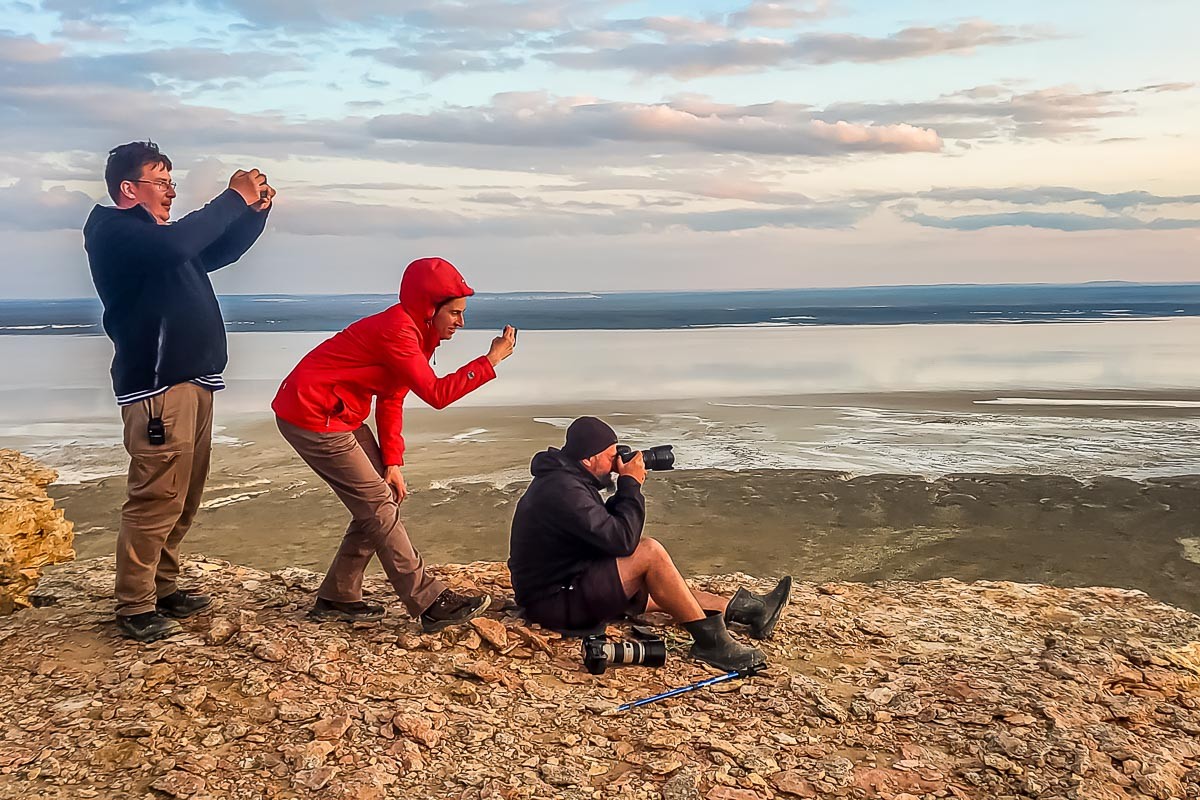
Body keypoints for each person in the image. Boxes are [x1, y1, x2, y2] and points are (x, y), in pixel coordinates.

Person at [84, 140, 274, 643]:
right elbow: (179, 246)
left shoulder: (162, 242)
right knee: (156, 497)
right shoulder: (115, 231)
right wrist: (231, 197)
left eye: (172, 182)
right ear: (129, 188)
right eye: (161, 182)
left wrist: (253, 214)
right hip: (158, 387)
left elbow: (216, 250)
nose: (171, 191)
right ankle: (135, 604)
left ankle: (163, 586)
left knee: (183, 495)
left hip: (193, 380)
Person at [272, 257, 516, 631]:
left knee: (383, 494)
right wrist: (490, 360)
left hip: (339, 414)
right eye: (454, 312)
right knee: (376, 503)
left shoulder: (418, 334)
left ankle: (339, 593)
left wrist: (393, 462)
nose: (460, 322)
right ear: (428, 306)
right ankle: (429, 600)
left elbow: (391, 398)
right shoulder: (399, 332)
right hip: (312, 414)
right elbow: (436, 394)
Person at [508, 416, 792, 672]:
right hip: (555, 601)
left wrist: (625, 487)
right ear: (589, 459)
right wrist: (630, 484)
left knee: (666, 589)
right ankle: (711, 644)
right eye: (611, 456)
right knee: (649, 552)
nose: (616, 463)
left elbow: (604, 530)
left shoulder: (566, 481)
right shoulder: (563, 489)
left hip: (564, 586)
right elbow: (622, 541)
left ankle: (752, 610)